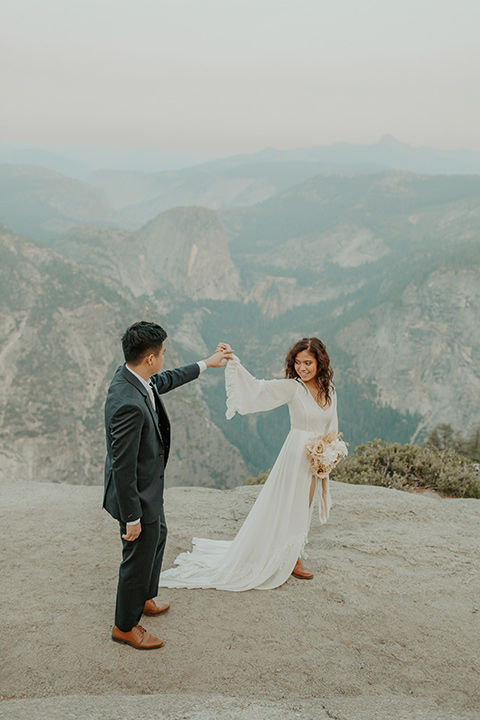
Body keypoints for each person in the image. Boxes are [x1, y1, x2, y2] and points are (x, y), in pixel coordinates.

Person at [159, 337, 338, 592]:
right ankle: (291, 558)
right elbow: (258, 389)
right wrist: (234, 362)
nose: (302, 368)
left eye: (308, 362)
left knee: (306, 504)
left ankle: (293, 552)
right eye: (298, 362)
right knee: (291, 503)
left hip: (318, 456)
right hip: (296, 454)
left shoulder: (330, 390)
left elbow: (333, 424)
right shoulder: (293, 388)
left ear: (320, 362)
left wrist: (331, 453)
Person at [103, 320, 232, 650]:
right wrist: (131, 517)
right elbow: (122, 466)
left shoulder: (135, 377)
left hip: (150, 487)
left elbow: (165, 380)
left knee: (157, 535)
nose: (164, 358)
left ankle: (143, 598)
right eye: (162, 354)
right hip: (136, 493)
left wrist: (207, 363)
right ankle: (125, 626)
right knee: (138, 553)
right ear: (149, 358)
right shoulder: (127, 403)